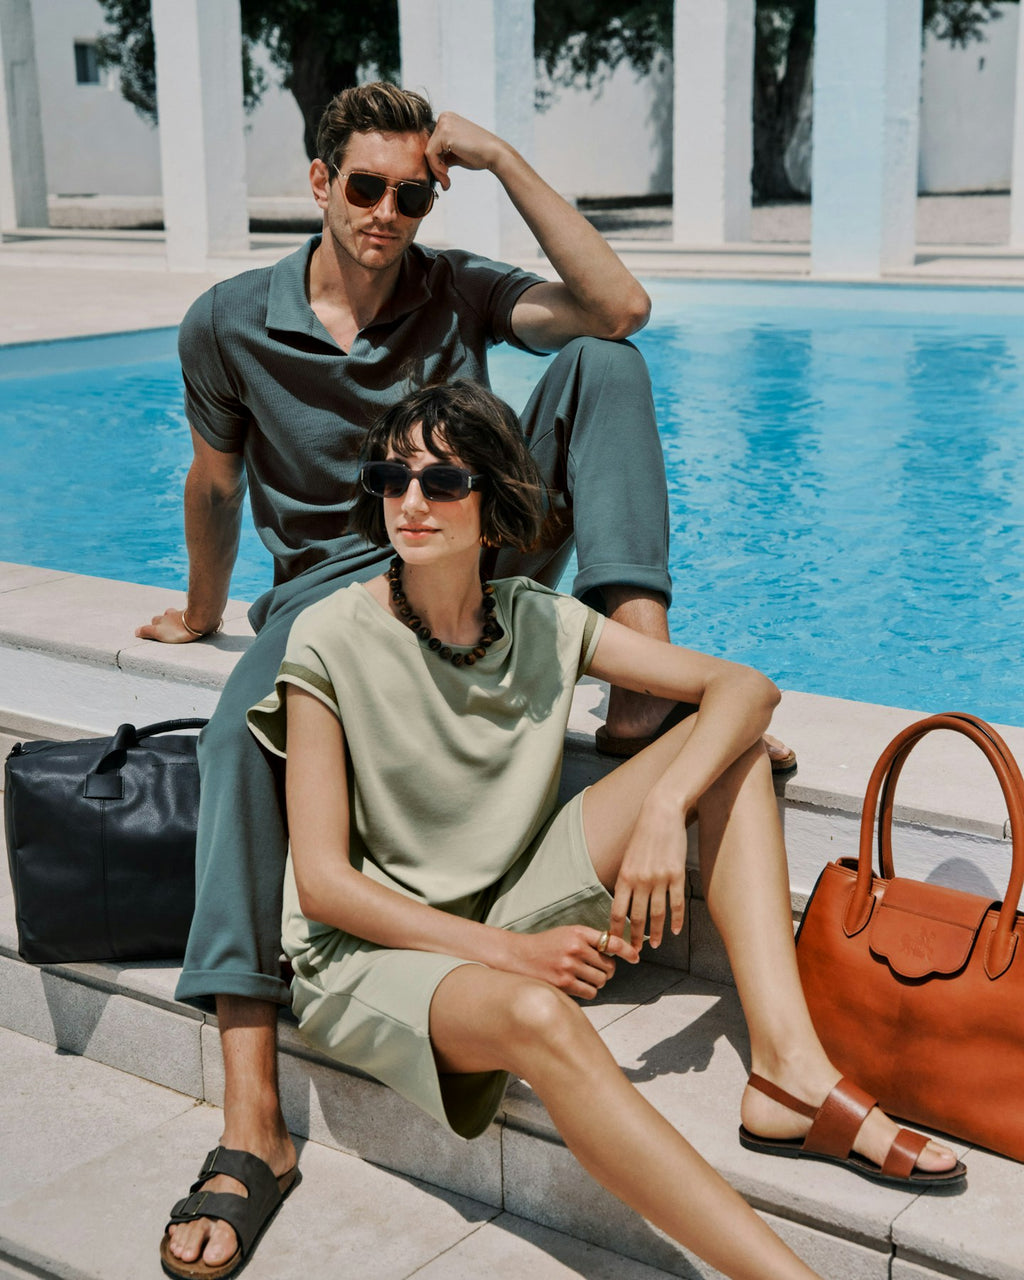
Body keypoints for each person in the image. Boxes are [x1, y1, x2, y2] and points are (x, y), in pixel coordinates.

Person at [146, 82, 793, 1277]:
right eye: (364, 187)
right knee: (243, 728)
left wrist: (496, 157)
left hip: (479, 528)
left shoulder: (455, 283)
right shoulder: (227, 321)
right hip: (330, 582)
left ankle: (642, 686)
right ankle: (251, 1117)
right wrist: (200, 611)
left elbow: (619, 304)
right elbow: (214, 485)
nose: (388, 211)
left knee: (606, 362)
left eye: (412, 190)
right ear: (316, 183)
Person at [234, 381, 961, 1280]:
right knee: (542, 1015)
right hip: (367, 951)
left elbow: (745, 688)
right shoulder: (328, 638)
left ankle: (788, 1072)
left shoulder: (540, 621)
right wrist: (506, 955)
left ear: (494, 500)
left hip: (505, 897)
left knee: (730, 749)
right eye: (392, 478)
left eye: (442, 482)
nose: (410, 502)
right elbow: (325, 888)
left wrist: (664, 809)